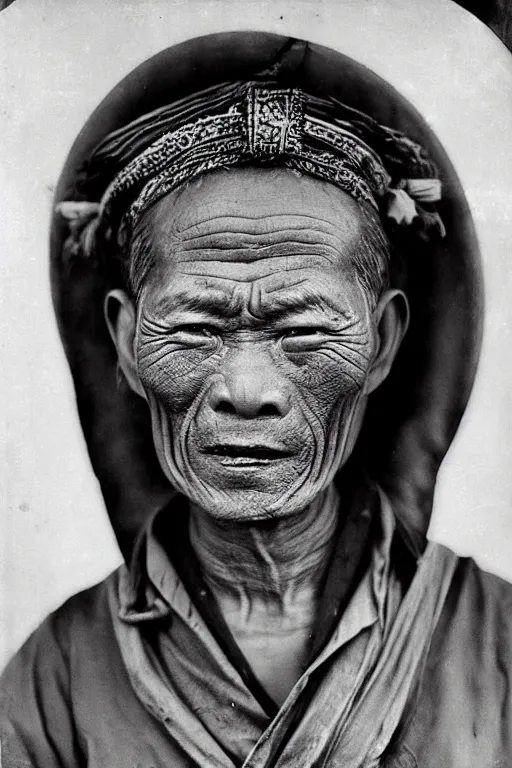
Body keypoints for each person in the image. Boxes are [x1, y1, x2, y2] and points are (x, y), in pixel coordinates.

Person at [1, 34, 510, 768]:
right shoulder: (55, 681)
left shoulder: (498, 648)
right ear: (124, 339)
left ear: (384, 341)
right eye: (196, 327)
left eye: (302, 329)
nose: (248, 391)